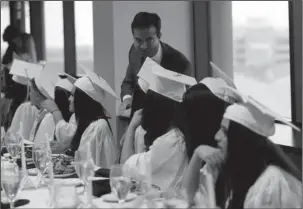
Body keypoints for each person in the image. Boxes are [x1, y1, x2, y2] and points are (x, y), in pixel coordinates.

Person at [185, 94, 302, 208]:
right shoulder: (226, 164)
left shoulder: (272, 183)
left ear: (241, 140)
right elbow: (188, 198)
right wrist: (197, 155)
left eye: (225, 131)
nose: (217, 136)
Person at [120, 12, 192, 119]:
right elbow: (128, 82)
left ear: (159, 36)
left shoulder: (181, 63)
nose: (143, 46)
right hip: (138, 118)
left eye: (149, 40)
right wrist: (127, 99)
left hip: (167, 123)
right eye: (138, 40)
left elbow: (184, 102)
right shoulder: (134, 52)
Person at [56, 66, 119, 168]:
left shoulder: (96, 127)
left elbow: (87, 166)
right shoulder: (86, 123)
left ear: (82, 100)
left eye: (72, 95)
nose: (69, 99)